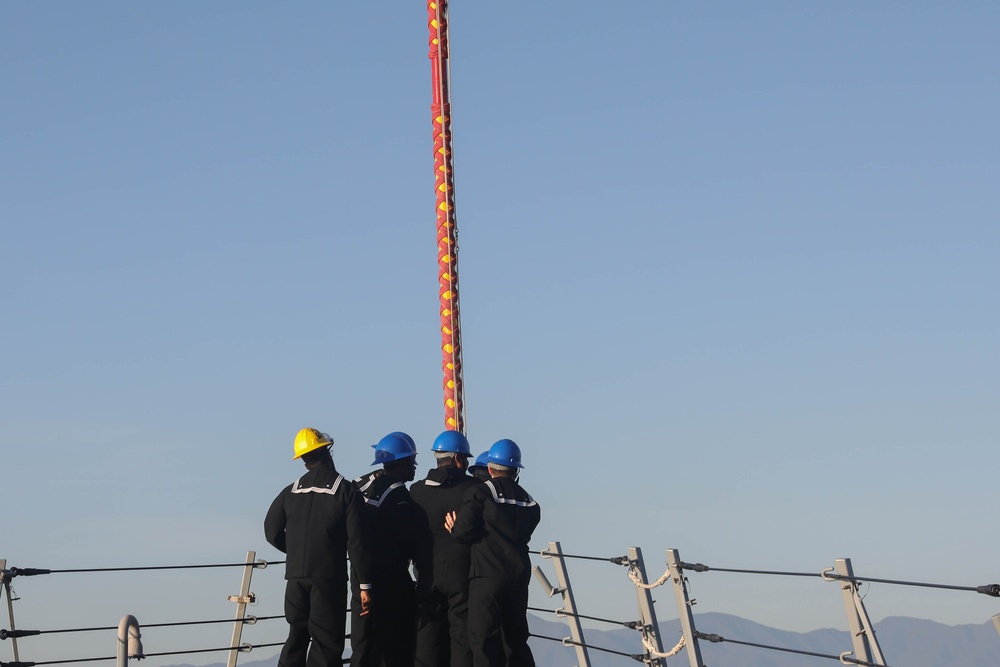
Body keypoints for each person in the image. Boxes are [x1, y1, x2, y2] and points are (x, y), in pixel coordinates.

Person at [264, 427, 372, 667]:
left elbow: (271, 531)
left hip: (295, 577)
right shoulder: (345, 490)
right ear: (328, 451)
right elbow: (357, 542)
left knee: (296, 636)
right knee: (326, 641)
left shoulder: (289, 491)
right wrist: (364, 584)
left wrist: (295, 552)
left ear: (303, 460)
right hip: (328, 576)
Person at [446, 439, 541, 667]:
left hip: (487, 576)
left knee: (483, 640)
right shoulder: (530, 502)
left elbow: (464, 532)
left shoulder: (479, 492)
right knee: (516, 640)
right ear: (516, 470)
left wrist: (454, 528)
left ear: (490, 468)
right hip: (518, 576)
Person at [410, 430, 481, 667]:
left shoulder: (417, 491)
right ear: (459, 459)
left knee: (428, 637)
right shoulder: (474, 489)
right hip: (463, 573)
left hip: (426, 572)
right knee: (462, 638)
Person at [350, 432, 420, 667]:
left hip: (360, 575)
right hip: (389, 578)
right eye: (411, 461)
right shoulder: (398, 493)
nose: (414, 467)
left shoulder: (360, 485)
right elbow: (409, 537)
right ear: (400, 462)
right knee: (396, 642)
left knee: (362, 642)